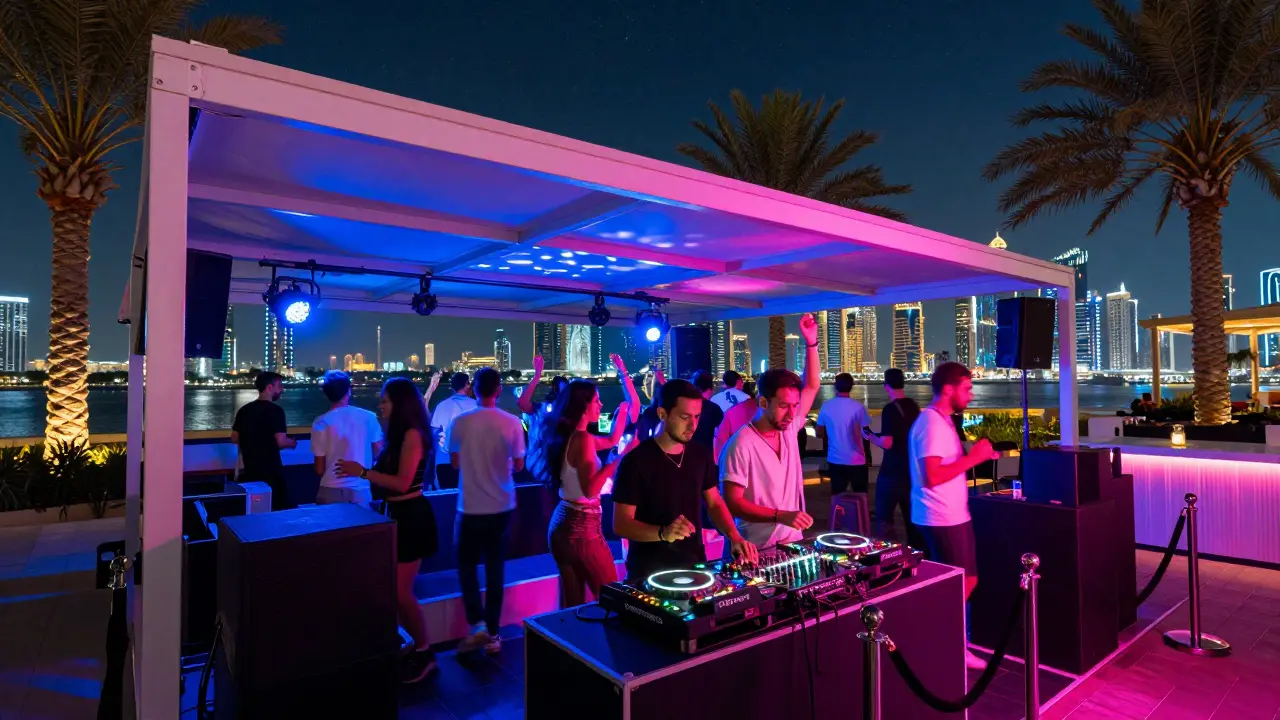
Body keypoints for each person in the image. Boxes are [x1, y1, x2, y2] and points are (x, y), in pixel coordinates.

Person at [334, 378, 439, 683]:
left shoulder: (412, 436)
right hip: (396, 513)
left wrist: (363, 472)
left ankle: (425, 651)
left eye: (385, 400)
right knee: (395, 590)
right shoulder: (399, 436)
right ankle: (416, 647)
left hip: (411, 516)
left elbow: (403, 483)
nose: (380, 405)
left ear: (401, 403)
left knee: (401, 592)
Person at [613, 379, 757, 583]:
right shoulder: (635, 461)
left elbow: (714, 502)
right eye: (684, 417)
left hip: (694, 563)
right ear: (662, 414)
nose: (693, 425)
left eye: (697, 417)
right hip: (649, 571)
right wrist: (663, 533)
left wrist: (734, 535)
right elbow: (621, 524)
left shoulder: (699, 454)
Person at [908, 362, 1000, 670]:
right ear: (949, 389)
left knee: (962, 580)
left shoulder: (943, 421)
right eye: (966, 388)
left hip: (951, 515)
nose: (971, 395)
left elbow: (947, 465)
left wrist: (977, 456)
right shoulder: (931, 423)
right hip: (940, 517)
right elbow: (932, 476)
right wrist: (973, 458)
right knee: (964, 581)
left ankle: (945, 638)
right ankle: (946, 641)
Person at [720, 314, 821, 549]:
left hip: (791, 539)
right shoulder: (741, 444)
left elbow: (813, 385)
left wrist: (812, 342)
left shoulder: (788, 428)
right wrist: (780, 515)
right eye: (783, 406)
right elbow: (733, 503)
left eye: (795, 406)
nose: (791, 413)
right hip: (753, 547)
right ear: (764, 403)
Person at [447, 368, 526, 654]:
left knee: (466, 566)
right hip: (502, 506)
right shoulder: (512, 422)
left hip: (469, 505)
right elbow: (519, 464)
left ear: (473, 389)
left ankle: (477, 623)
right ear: (499, 389)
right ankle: (493, 634)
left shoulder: (460, 421)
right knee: (495, 569)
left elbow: (454, 462)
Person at [546, 377, 633, 607]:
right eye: (597, 400)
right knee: (612, 600)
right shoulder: (582, 439)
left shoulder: (571, 435)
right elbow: (591, 488)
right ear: (584, 405)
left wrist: (623, 411)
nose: (601, 405)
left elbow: (613, 439)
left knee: (571, 606)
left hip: (562, 522)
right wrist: (619, 460)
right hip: (582, 528)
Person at [864, 368, 921, 545]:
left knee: (884, 519)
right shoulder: (914, 406)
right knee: (912, 521)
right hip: (911, 472)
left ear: (886, 386)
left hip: (891, 473)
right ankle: (917, 555)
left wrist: (871, 437)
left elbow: (887, 443)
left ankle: (891, 556)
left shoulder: (889, 409)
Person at [311, 370, 384, 507]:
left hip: (329, 490)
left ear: (326, 394)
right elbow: (378, 450)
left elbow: (319, 469)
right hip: (360, 491)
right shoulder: (369, 417)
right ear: (348, 391)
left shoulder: (320, 422)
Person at [232, 371, 297, 511]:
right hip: (271, 474)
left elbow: (235, 438)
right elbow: (281, 441)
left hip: (249, 473)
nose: (282, 390)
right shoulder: (276, 411)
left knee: (253, 512)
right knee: (276, 512)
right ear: (269, 388)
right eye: (279, 386)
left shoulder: (244, 410)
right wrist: (292, 443)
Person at [517, 355, 571, 486]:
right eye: (557, 390)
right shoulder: (541, 410)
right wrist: (537, 376)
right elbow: (522, 403)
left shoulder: (571, 415)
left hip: (561, 473)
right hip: (538, 469)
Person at [816, 372, 872, 495]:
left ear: (835, 386)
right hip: (857, 460)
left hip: (835, 459)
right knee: (861, 495)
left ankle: (838, 514)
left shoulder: (827, 406)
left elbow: (819, 432)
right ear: (851, 386)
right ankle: (861, 514)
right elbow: (867, 432)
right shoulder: (858, 407)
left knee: (837, 496)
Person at [430, 372, 477, 489]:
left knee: (447, 499)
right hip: (472, 461)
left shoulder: (442, 406)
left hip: (444, 461)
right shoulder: (476, 406)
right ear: (467, 385)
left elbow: (433, 433)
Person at [714, 380, 758, 460]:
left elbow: (720, 440)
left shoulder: (715, 398)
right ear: (738, 382)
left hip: (730, 452)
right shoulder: (746, 398)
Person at [689, 371, 725, 453]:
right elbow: (720, 433)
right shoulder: (713, 408)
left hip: (686, 453)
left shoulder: (685, 405)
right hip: (706, 453)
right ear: (709, 389)